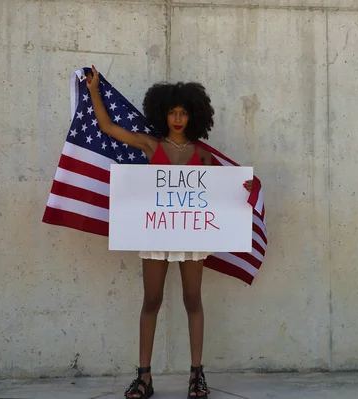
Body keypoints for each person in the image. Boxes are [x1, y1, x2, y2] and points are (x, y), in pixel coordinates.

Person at [86, 65, 253, 399]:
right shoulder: (150, 145)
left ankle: (196, 376)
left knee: (193, 300)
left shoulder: (203, 155)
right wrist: (93, 90)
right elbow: (106, 127)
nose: (178, 118)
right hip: (155, 236)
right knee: (152, 300)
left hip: (191, 238)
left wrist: (243, 190)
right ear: (163, 114)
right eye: (173, 112)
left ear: (193, 116)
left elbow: (218, 195)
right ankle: (144, 378)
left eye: (184, 113)